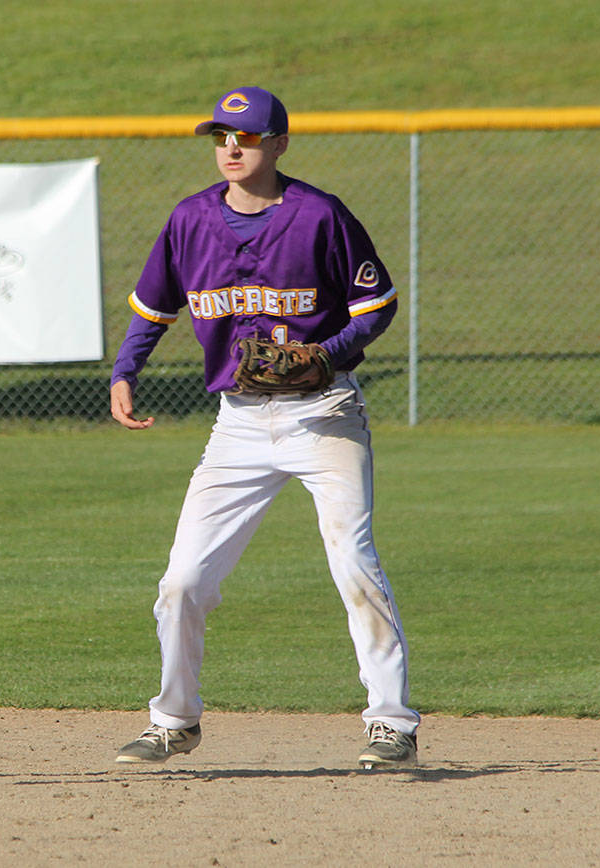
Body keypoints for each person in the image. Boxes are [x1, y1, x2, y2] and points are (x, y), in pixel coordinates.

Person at [109, 87, 419, 768]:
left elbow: (377, 306)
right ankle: (174, 721)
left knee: (353, 563)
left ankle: (392, 724)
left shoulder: (320, 217)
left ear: (278, 142)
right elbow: (152, 308)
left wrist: (324, 354)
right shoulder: (190, 220)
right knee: (183, 581)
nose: (230, 148)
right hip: (238, 425)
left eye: (244, 138)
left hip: (325, 414)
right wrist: (124, 371)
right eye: (220, 136)